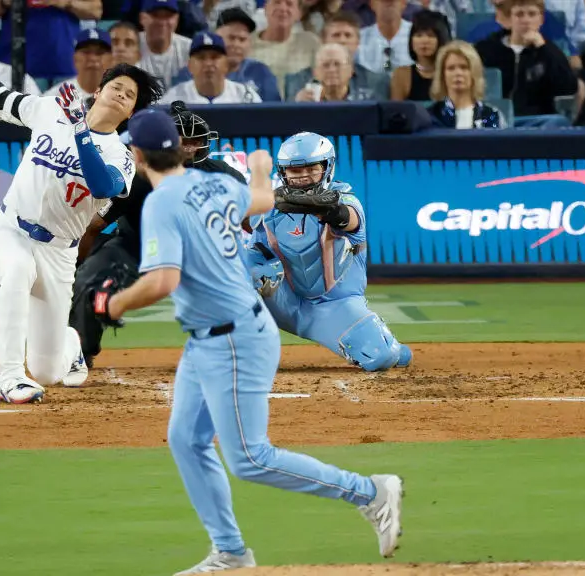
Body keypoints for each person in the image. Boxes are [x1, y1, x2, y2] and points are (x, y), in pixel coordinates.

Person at [91, 109, 404, 574]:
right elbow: (260, 199)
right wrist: (259, 168)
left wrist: (110, 304)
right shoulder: (212, 184)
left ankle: (370, 492)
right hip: (208, 337)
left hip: (234, 337)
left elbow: (162, 281)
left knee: (251, 458)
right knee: (186, 440)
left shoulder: (162, 202)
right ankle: (231, 553)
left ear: (136, 155)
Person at [0, 29, 165, 404]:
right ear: (98, 90)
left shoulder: (121, 156)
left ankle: (69, 345)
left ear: (131, 112)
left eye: (129, 94)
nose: (121, 93)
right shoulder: (52, 110)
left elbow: (102, 186)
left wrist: (81, 130)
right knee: (17, 268)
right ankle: (9, 377)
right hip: (8, 229)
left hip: (58, 255)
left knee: (49, 371)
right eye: (116, 86)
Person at [69, 101, 246, 369]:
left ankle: (236, 348)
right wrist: (78, 265)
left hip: (198, 254)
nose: (189, 148)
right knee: (90, 279)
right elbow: (94, 226)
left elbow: (251, 223)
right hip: (136, 248)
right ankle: (80, 352)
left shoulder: (224, 176)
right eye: (183, 141)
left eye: (195, 141)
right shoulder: (139, 178)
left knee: (250, 278)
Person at [246, 132, 413, 372]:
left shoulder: (346, 201)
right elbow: (254, 250)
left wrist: (322, 207)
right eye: (295, 170)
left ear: (327, 168)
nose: (303, 176)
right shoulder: (269, 208)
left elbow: (345, 217)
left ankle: (391, 346)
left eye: (312, 168)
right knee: (236, 266)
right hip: (285, 302)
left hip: (335, 306)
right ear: (283, 172)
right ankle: (233, 351)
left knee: (381, 357)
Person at [427, 41, 505, 129]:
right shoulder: (431, 116)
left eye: (464, 67)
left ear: (474, 72)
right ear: (442, 75)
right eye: (451, 68)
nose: (458, 73)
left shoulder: (491, 115)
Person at [389, 9, 449, 101]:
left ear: (441, 39)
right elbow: (395, 108)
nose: (424, 41)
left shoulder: (450, 72)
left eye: (431, 35)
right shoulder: (402, 74)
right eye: (419, 35)